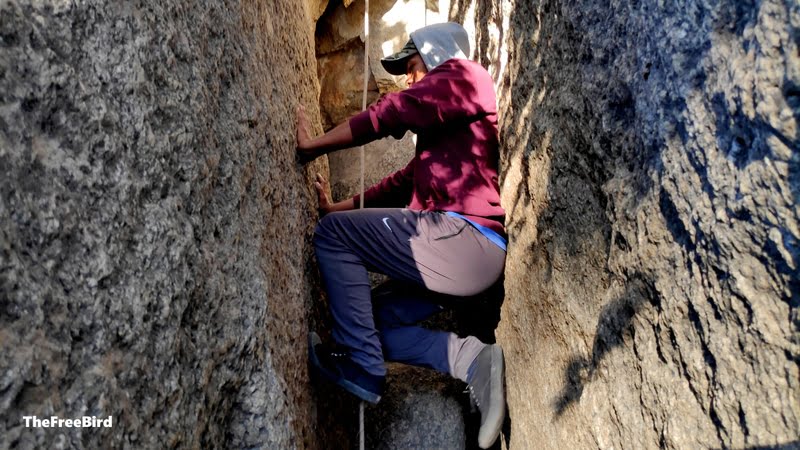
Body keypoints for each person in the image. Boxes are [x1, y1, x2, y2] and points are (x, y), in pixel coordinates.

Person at [296, 22, 506, 449]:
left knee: (333, 237)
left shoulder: (465, 75)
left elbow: (392, 112)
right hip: (461, 256)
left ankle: (362, 367)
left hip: (462, 239)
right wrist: (335, 206)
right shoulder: (446, 138)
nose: (409, 79)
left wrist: (313, 146)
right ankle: (473, 360)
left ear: (434, 53)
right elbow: (398, 184)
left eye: (411, 66)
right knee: (365, 322)